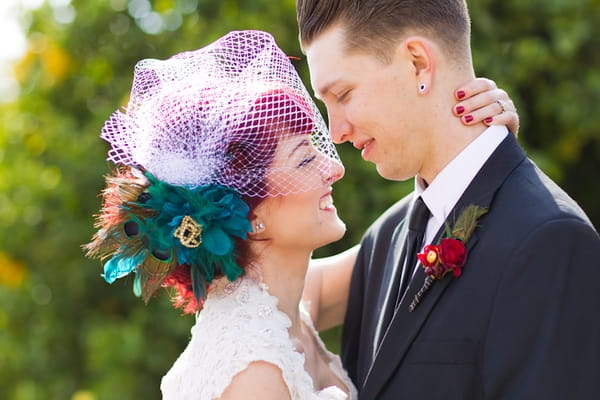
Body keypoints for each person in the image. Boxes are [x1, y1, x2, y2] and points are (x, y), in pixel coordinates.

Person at [85, 30, 517, 400]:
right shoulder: (254, 373)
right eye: (306, 160)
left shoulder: (286, 301)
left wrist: (474, 149)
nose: (335, 167)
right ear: (249, 212)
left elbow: (420, 237)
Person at [296, 1, 600, 399]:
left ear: (418, 64)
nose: (335, 132)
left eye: (344, 94)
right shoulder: (384, 238)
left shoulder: (551, 242)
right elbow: (283, 293)